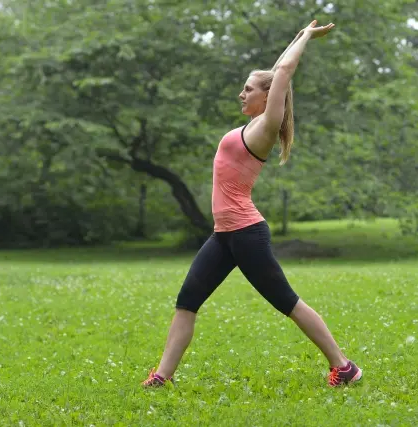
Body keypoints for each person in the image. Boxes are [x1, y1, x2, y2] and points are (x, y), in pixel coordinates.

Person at [142, 20, 362, 388]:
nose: (241, 95)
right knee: (187, 300)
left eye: (248, 90)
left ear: (267, 95)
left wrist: (306, 38)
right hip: (223, 236)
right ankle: (162, 376)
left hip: (246, 234)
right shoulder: (250, 126)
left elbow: (284, 71)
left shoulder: (265, 129)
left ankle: (344, 367)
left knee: (288, 303)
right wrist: (297, 33)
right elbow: (278, 69)